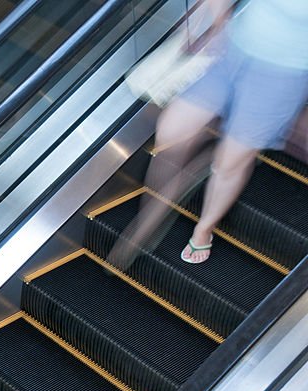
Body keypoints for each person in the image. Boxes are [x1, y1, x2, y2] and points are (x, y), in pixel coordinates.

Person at [112, 0, 308, 266]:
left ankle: (203, 229)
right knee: (171, 130)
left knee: (229, 164)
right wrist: (216, 21)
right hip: (232, 48)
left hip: (283, 76)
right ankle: (155, 208)